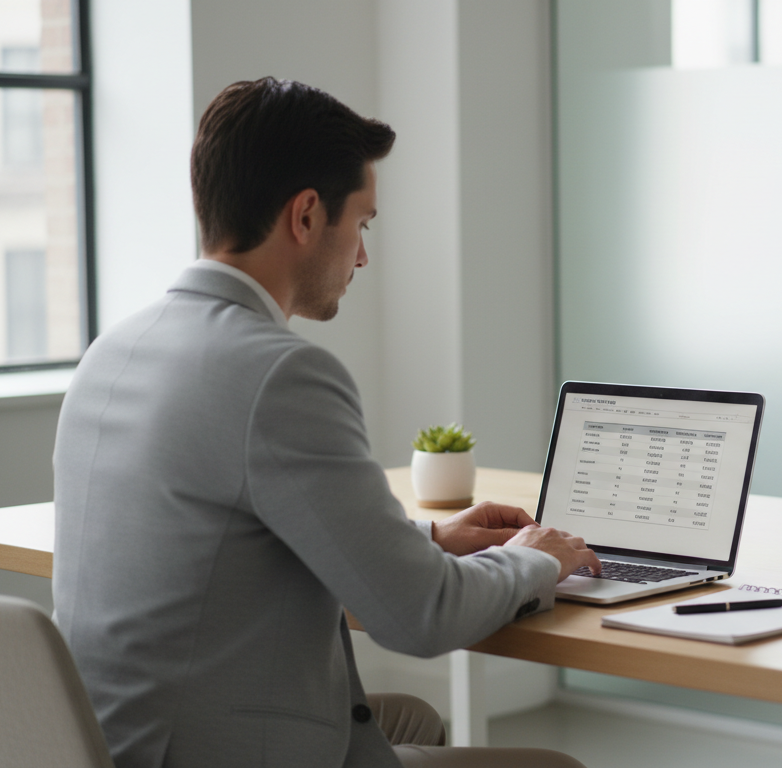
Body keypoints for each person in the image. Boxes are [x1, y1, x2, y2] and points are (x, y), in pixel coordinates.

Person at [52, 77, 599, 768]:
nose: (364, 255)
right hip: (212, 751)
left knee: (415, 720)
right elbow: (419, 615)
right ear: (306, 216)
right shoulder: (278, 373)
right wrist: (533, 559)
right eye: (362, 224)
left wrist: (430, 537)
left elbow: (235, 532)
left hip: (110, 740)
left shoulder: (114, 349)